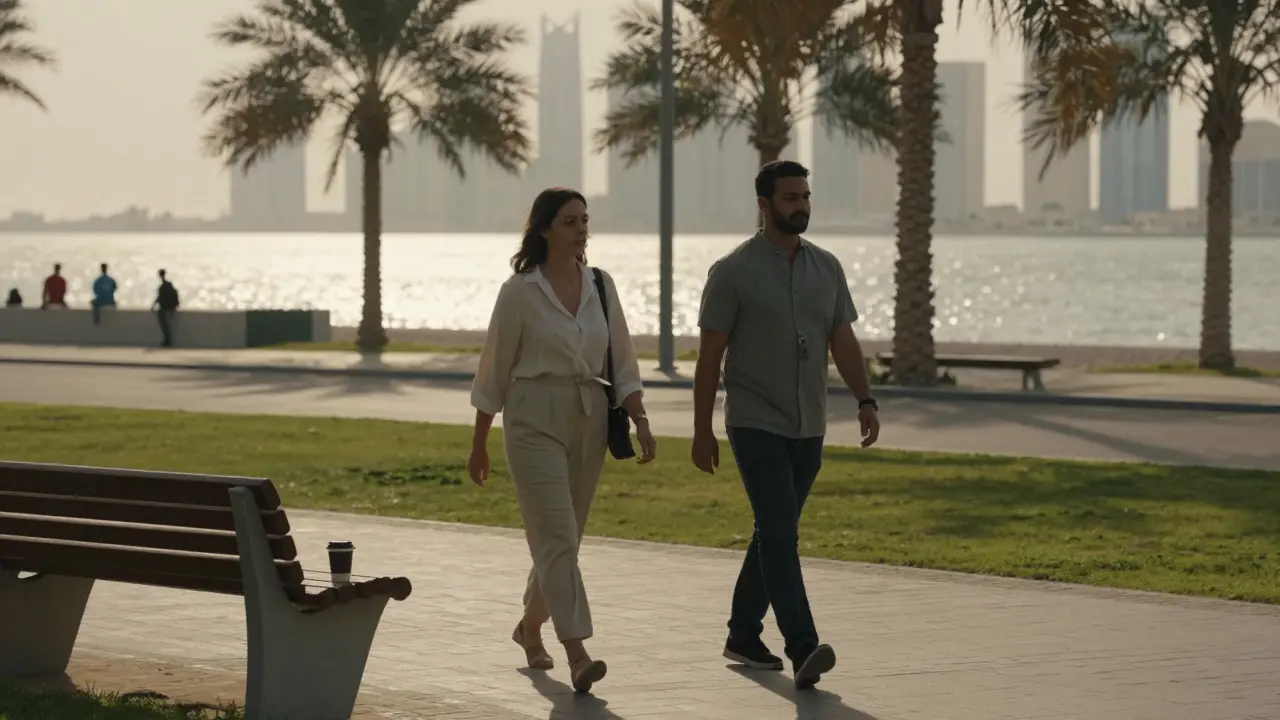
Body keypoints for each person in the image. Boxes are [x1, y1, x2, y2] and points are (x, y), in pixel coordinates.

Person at [691, 160, 881, 690]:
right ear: (765, 203)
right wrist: (702, 430)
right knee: (780, 532)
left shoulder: (827, 268)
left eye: (805, 196)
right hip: (755, 422)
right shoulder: (732, 272)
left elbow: (842, 339)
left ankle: (742, 634)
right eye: (790, 197)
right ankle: (803, 647)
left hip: (809, 424)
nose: (800, 205)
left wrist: (865, 398)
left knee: (773, 532)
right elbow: (709, 359)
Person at [467, 187, 657, 694]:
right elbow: (493, 371)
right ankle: (577, 652)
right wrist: (480, 442)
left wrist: (639, 416)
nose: (581, 229)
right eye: (570, 221)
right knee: (555, 537)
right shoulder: (519, 291)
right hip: (532, 415)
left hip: (590, 413)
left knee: (565, 540)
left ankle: (530, 627)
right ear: (546, 227)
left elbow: (623, 360)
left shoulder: (601, 284)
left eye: (585, 220)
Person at [151, 269, 180, 347]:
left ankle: (167, 341)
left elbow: (159, 297)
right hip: (170, 307)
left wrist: (153, 305)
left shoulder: (163, 286)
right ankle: (167, 340)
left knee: (165, 325)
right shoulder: (168, 285)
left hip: (165, 308)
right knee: (166, 325)